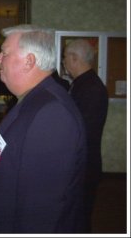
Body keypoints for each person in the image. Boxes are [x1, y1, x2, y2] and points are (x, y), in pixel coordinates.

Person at [0, 24, 87, 233]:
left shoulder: (52, 113)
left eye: (4, 53)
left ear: (29, 61)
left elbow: (40, 208)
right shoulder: (32, 99)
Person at [62, 38, 109, 233]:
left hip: (84, 165)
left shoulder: (91, 88)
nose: (63, 62)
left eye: (65, 57)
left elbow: (81, 130)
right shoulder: (82, 83)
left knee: (80, 219)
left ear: (74, 58)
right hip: (80, 163)